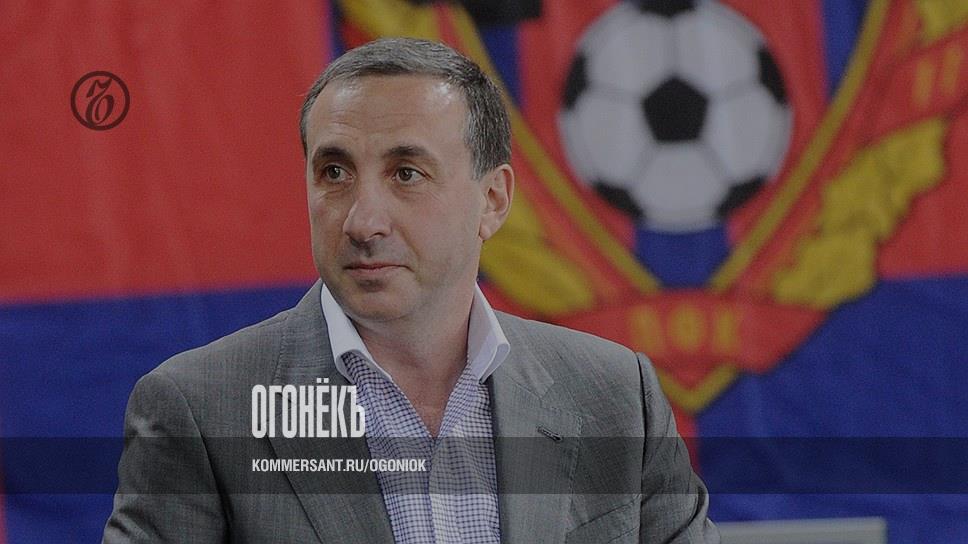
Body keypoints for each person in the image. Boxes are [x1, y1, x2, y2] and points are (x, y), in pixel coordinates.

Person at [103, 37, 718, 543]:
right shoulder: (201, 411)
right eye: (334, 172)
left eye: (406, 173)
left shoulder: (617, 397)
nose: (363, 221)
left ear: (492, 200)